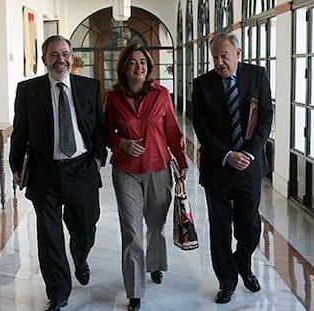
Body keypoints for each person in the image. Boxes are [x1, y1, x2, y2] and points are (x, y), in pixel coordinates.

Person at [9, 35, 107, 311]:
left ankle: (80, 254)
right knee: (49, 236)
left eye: (65, 54)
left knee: (86, 226)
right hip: (44, 172)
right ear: (44, 60)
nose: (60, 60)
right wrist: (16, 166)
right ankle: (58, 292)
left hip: (81, 168)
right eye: (54, 55)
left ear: (72, 57)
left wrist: (98, 158)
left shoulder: (89, 87)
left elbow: (99, 126)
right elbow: (21, 130)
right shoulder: (28, 90)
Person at [104, 43, 188, 311]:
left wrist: (182, 162)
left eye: (142, 62)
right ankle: (135, 291)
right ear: (124, 68)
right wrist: (120, 143)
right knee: (132, 232)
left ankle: (155, 264)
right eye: (132, 62)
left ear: (149, 68)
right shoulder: (113, 99)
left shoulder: (162, 94)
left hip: (158, 168)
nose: (138, 67)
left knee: (155, 225)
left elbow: (173, 131)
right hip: (126, 171)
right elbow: (104, 132)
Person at [192, 32, 273, 304]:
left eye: (224, 56)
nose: (219, 62)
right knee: (219, 226)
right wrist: (227, 155)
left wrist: (248, 154)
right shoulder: (202, 84)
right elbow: (201, 128)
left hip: (249, 166)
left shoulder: (257, 76)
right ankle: (226, 281)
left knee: (249, 225)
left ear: (237, 54)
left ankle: (243, 262)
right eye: (214, 57)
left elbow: (265, 118)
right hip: (218, 167)